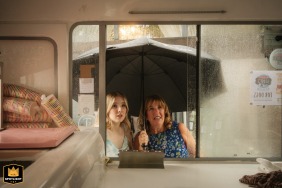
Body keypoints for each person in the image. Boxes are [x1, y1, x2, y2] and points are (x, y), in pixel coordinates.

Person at [106, 91, 133, 157]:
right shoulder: (101, 132)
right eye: (114, 106)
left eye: (123, 105)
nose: (120, 110)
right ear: (107, 108)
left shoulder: (126, 129)